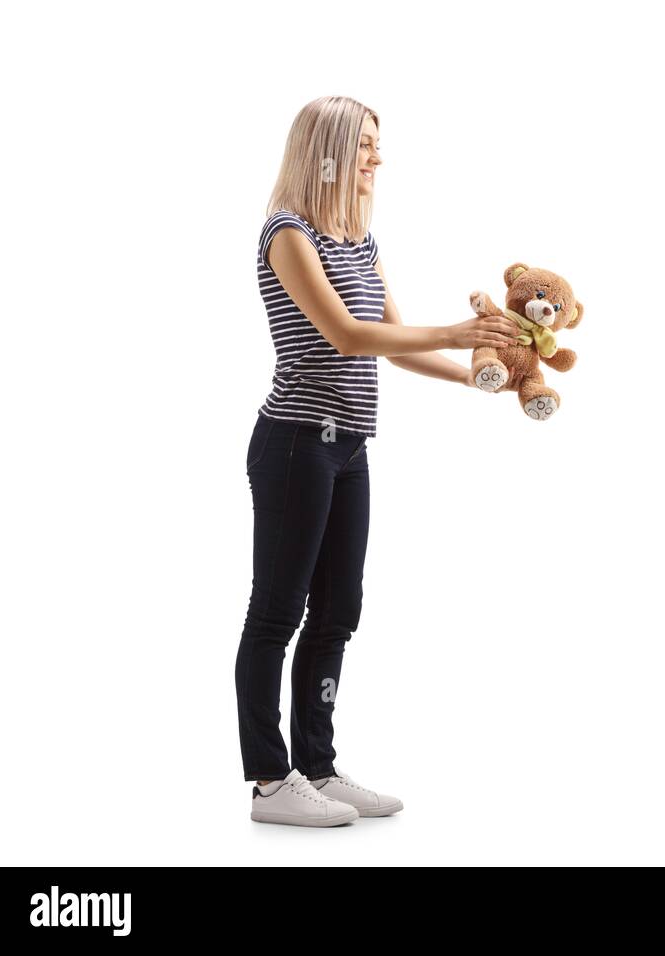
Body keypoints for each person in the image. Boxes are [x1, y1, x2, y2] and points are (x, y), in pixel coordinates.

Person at [236, 96, 517, 827]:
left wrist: (479, 376)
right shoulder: (287, 235)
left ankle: (317, 768)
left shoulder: (359, 240)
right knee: (278, 611)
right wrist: (459, 331)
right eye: (364, 145)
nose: (376, 159)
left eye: (376, 144)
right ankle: (270, 781)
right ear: (326, 150)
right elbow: (347, 335)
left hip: (349, 449)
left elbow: (392, 335)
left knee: (338, 612)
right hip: (295, 443)